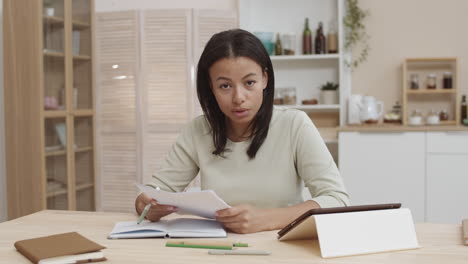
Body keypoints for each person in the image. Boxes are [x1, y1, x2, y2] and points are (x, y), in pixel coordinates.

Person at [135, 29, 349, 234]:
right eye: (225, 86)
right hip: (216, 249)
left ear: (265, 79)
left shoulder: (295, 124)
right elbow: (154, 192)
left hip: (282, 246)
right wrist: (145, 204)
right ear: (211, 86)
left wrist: (266, 219)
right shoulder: (198, 130)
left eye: (249, 83)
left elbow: (336, 199)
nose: (238, 97)